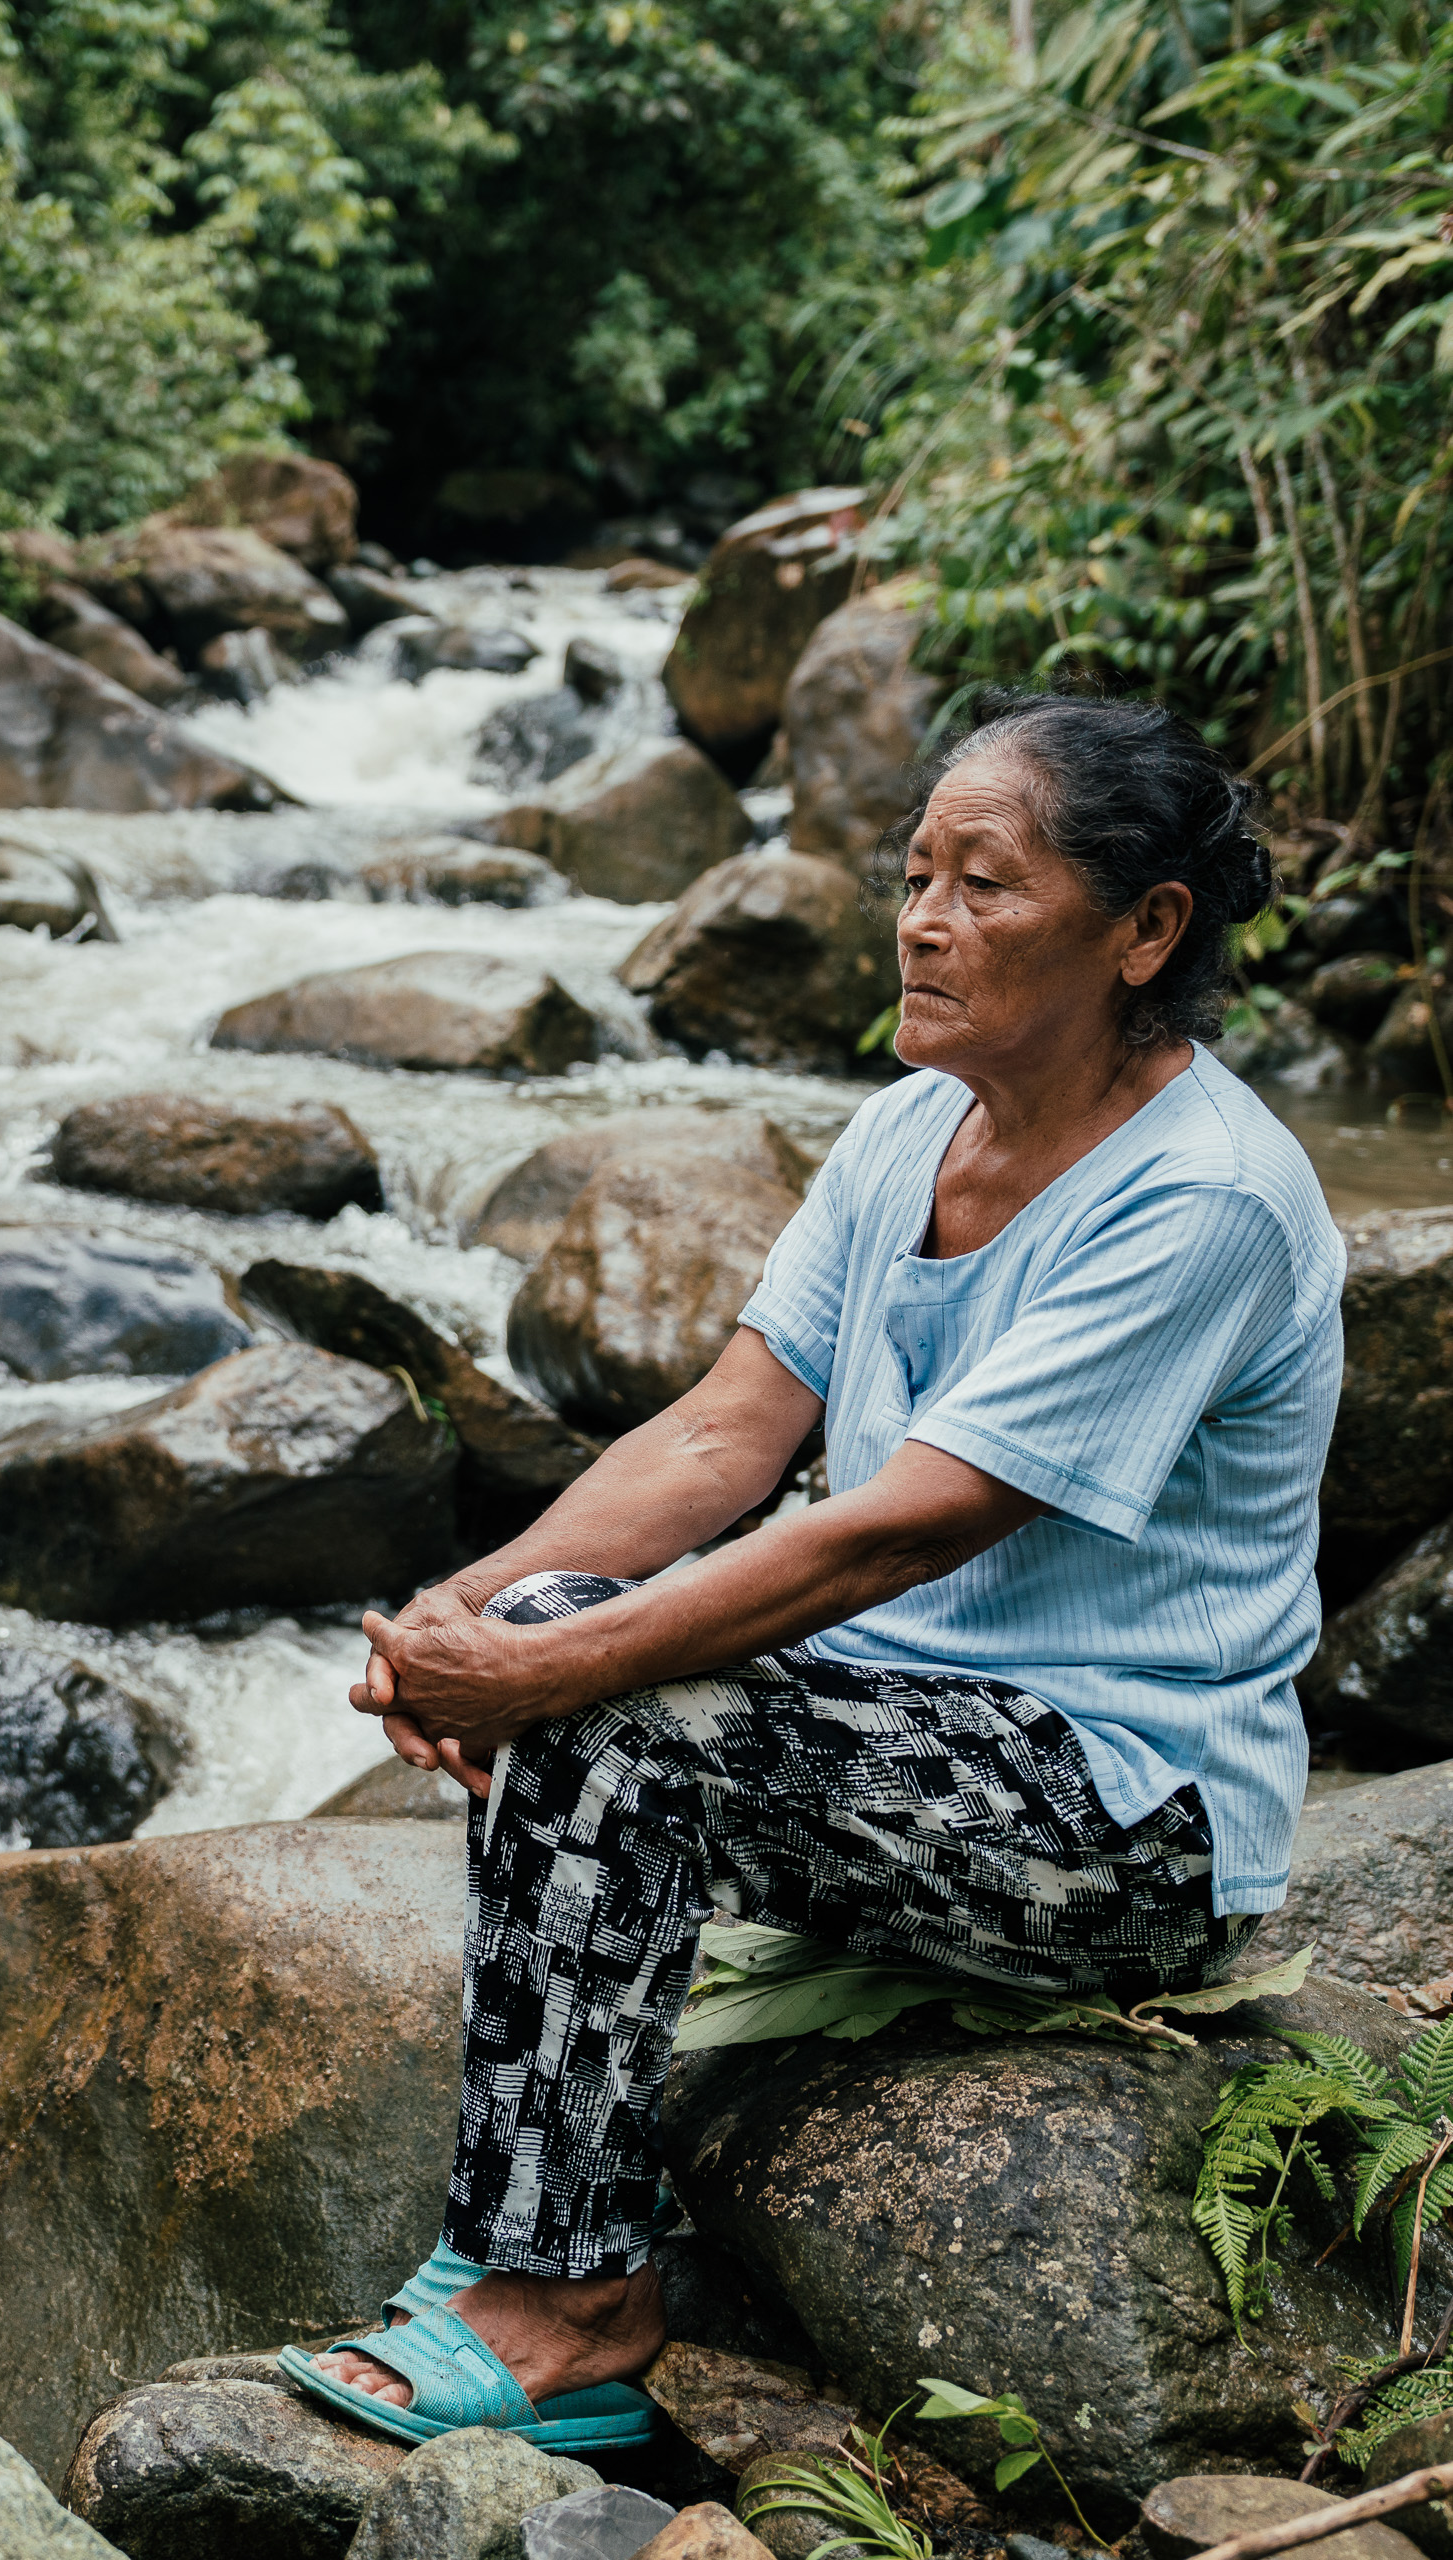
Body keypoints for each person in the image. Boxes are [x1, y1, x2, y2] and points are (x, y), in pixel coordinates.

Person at [280, 690, 1344, 2451]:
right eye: (916, 875)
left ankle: (571, 2307)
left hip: (1120, 1810)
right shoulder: (904, 1128)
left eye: (986, 885)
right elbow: (722, 1437)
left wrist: (555, 1675)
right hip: (903, 1727)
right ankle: (528, 2228)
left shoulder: (1207, 1197)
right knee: (566, 1640)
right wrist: (487, 1607)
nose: (925, 920)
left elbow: (904, 1521)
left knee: (618, 1715)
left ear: (1146, 929)